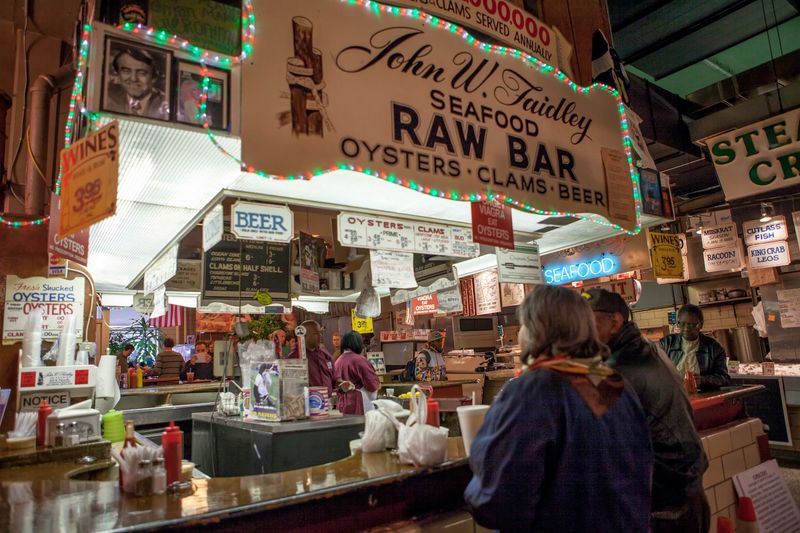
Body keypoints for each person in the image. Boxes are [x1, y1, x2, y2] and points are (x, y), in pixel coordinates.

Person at [465, 285, 653, 532]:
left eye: (523, 325)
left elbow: (499, 502)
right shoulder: (612, 382)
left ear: (536, 330)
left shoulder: (533, 389)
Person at [585, 288, 709, 532]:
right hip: (684, 482)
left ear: (615, 320)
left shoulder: (619, 367)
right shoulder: (644, 347)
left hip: (665, 495)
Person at [660, 304, 731, 389]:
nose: (686, 328)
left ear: (700, 325)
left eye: (691, 324)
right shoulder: (666, 344)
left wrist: (702, 380)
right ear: (678, 324)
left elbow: (724, 379)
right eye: (682, 324)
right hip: (674, 397)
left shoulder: (713, 348)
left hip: (704, 397)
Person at [105, 45, 169, 119]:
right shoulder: (109, 98)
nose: (133, 79)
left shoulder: (166, 103)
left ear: (154, 77)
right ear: (118, 74)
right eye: (126, 71)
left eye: (141, 73)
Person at [334, 332, 381, 415]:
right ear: (358, 344)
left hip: (342, 403)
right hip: (359, 402)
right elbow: (372, 385)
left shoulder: (338, 361)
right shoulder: (360, 360)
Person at [287, 320, 334, 395]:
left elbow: (334, 376)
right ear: (304, 335)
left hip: (328, 402)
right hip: (308, 403)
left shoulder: (325, 354)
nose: (320, 336)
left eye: (320, 333)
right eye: (316, 333)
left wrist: (341, 382)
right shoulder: (294, 358)